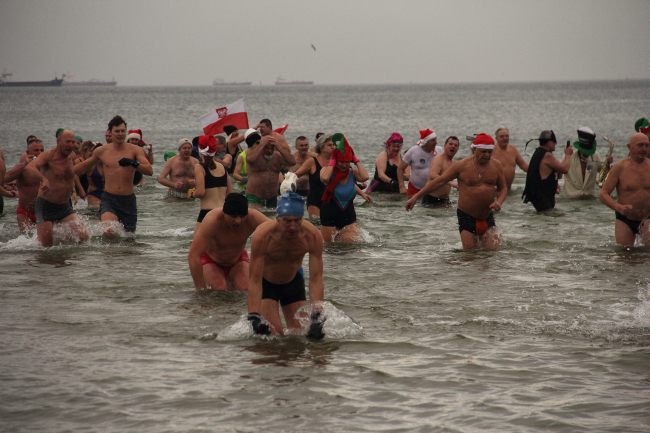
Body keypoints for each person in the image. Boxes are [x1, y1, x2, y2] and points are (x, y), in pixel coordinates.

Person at [406, 133, 508, 250]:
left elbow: (503, 188)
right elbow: (439, 181)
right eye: (483, 151)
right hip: (466, 216)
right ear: (474, 149)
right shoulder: (461, 165)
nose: (487, 155)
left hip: (487, 215)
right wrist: (416, 197)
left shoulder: (496, 165)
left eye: (489, 152)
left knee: (492, 254)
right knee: (470, 255)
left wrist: (499, 202)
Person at [246, 192, 326, 339]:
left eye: (297, 220)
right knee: (274, 337)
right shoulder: (262, 236)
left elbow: (316, 278)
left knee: (302, 336)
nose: (293, 227)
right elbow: (254, 280)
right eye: (287, 221)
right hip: (267, 285)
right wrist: (254, 316)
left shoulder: (312, 236)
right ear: (277, 218)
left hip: (293, 282)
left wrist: (317, 315)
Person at [74, 115, 153, 236]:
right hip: (109, 199)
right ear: (110, 132)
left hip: (128, 200)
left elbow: (149, 170)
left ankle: (119, 256)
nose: (120, 134)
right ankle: (108, 255)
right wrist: (63, 173)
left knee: (128, 239)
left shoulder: (135, 150)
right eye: (117, 131)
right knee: (109, 231)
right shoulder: (102, 151)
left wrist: (133, 163)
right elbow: (83, 167)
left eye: (123, 131)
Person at [188, 193, 268, 290]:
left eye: (242, 216)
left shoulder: (253, 217)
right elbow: (193, 255)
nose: (238, 221)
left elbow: (277, 231)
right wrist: (201, 291)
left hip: (238, 259)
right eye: (233, 216)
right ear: (224, 213)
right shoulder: (212, 220)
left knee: (246, 288)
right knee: (219, 288)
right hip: (211, 260)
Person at [24, 130, 89, 247]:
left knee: (83, 236)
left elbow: (73, 174)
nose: (71, 145)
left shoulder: (72, 156)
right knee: (46, 247)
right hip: (46, 206)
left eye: (73, 142)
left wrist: (80, 189)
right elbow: (30, 167)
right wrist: (43, 179)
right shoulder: (48, 155)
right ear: (58, 141)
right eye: (67, 142)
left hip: (64, 206)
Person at [599, 132, 650, 247]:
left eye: (647, 145)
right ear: (629, 147)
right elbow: (603, 194)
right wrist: (618, 207)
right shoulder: (620, 167)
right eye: (640, 145)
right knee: (624, 256)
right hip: (625, 219)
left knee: (647, 257)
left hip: (647, 218)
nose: (644, 149)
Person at [319, 133, 370, 243]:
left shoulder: (352, 173)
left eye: (347, 162)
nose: (344, 165)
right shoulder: (326, 170)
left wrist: (356, 160)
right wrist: (333, 160)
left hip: (348, 216)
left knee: (350, 247)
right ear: (335, 160)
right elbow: (324, 178)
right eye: (341, 162)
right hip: (329, 215)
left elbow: (365, 177)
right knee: (329, 249)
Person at [245, 127, 296, 209]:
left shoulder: (277, 156)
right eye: (267, 148)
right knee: (257, 220)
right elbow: (250, 159)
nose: (269, 151)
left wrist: (278, 146)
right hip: (254, 197)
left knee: (272, 220)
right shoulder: (253, 154)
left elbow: (292, 162)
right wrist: (262, 143)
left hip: (272, 197)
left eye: (271, 148)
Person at [522, 130, 572, 212]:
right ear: (548, 142)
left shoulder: (539, 153)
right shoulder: (547, 156)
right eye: (554, 141)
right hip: (543, 199)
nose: (555, 143)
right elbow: (565, 169)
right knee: (552, 221)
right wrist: (567, 155)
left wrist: (555, 184)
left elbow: (559, 175)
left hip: (540, 198)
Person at [4, 137, 45, 232]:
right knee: (27, 239)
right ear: (28, 152)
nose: (39, 153)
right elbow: (5, 178)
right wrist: (24, 164)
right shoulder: (22, 168)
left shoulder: (47, 167)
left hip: (44, 211)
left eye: (42, 150)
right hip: (25, 212)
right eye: (36, 150)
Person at [562, 127, 613, 198]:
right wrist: (567, 155)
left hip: (589, 199)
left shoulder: (595, 156)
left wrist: (608, 164)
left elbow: (603, 177)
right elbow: (559, 173)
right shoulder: (568, 156)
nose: (586, 153)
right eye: (584, 150)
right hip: (570, 199)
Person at [293, 133, 335, 218]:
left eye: (334, 145)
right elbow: (295, 175)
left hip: (331, 201)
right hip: (314, 203)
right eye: (330, 145)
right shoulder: (312, 161)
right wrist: (286, 186)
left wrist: (360, 192)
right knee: (317, 225)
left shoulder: (336, 162)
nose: (333, 147)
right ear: (322, 147)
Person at [193, 135, 231, 225]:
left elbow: (200, 192)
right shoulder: (221, 166)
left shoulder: (199, 167)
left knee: (196, 239)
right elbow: (229, 193)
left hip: (207, 213)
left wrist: (192, 194)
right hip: (223, 212)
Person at [423, 135, 461, 207]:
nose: (453, 146)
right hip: (431, 199)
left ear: (457, 149)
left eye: (456, 145)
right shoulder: (438, 159)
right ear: (444, 146)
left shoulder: (454, 163)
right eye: (450, 144)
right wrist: (451, 183)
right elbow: (432, 175)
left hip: (445, 200)